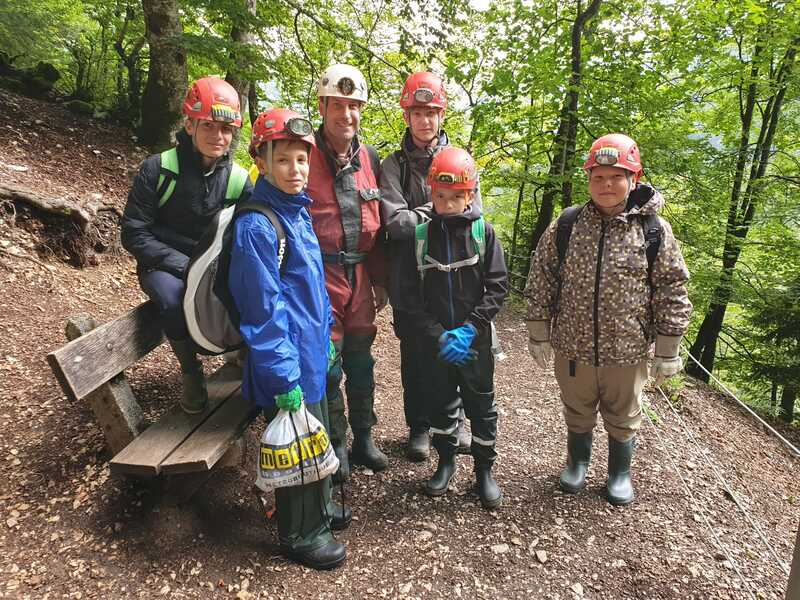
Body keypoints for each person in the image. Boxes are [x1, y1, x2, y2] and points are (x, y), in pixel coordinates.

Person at [524, 133, 692, 505]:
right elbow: (542, 277)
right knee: (577, 408)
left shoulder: (653, 231)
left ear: (634, 178)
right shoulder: (567, 224)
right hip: (573, 347)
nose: (606, 185)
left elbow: (672, 288)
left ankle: (619, 473)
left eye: (616, 176)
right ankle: (577, 463)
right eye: (598, 177)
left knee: (624, 413)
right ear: (588, 179)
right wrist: (539, 333)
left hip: (628, 351)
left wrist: (668, 350)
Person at [228, 108, 349, 570]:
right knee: (298, 443)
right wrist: (283, 379)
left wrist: (327, 338)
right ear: (261, 162)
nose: (295, 170)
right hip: (287, 362)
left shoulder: (296, 211)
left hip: (310, 352)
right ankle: (301, 534)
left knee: (317, 435)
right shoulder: (258, 226)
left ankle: (319, 509)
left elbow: (311, 287)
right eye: (283, 160)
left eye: (302, 159)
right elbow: (263, 314)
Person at [121, 77, 252, 414]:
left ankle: (244, 350)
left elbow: (250, 233)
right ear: (190, 124)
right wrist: (186, 267)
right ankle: (191, 372)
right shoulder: (159, 169)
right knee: (172, 300)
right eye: (208, 125)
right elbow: (134, 232)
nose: (218, 136)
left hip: (213, 264)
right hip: (163, 263)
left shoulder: (238, 180)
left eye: (226, 129)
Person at [399, 147, 508, 509]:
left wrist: (470, 330)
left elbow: (497, 287)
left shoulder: (483, 233)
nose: (447, 204)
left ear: (470, 195)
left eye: (456, 196)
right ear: (431, 193)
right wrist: (439, 335)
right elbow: (410, 296)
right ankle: (445, 463)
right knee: (440, 403)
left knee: (481, 406)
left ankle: (484, 472)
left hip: (475, 343)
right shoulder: (420, 237)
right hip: (437, 345)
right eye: (441, 196)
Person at [379, 71, 476, 461]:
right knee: (416, 356)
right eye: (417, 113)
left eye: (431, 113)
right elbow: (395, 224)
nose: (424, 120)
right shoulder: (394, 165)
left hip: (454, 278)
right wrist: (440, 208)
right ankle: (418, 426)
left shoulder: (461, 160)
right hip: (409, 280)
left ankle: (454, 423)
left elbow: (473, 214)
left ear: (441, 115)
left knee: (455, 350)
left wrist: (419, 213)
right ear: (406, 116)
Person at [306, 64, 389, 479]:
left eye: (354, 106)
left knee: (361, 360)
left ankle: (364, 437)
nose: (347, 114)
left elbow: (379, 225)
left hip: (360, 278)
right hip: (319, 278)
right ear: (322, 106)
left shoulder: (369, 158)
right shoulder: (302, 153)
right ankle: (335, 441)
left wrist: (380, 279)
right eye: (338, 105)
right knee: (329, 364)